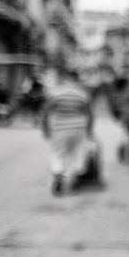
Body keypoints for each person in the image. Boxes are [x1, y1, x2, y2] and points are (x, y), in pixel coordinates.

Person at [42, 66, 94, 195]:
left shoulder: (56, 92)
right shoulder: (82, 93)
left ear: (65, 78)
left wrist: (45, 128)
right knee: (76, 153)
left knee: (57, 153)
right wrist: (89, 130)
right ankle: (75, 175)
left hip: (60, 128)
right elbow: (89, 114)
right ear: (76, 79)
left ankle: (58, 173)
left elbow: (46, 111)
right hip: (78, 128)